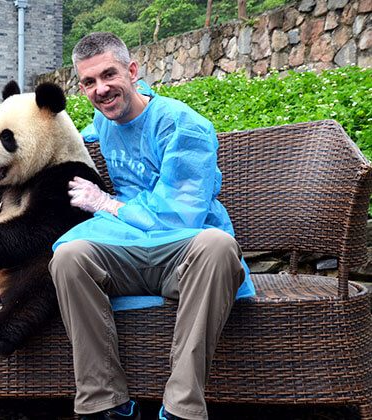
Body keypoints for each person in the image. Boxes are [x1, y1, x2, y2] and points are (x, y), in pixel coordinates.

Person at [48, 32, 255, 420]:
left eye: (109, 75)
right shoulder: (103, 118)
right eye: (90, 82)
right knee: (70, 257)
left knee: (217, 245)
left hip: (183, 251)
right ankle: (105, 405)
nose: (102, 89)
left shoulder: (185, 126)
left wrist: (106, 203)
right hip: (127, 248)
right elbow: (94, 131)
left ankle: (181, 408)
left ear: (132, 70)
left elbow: (180, 215)